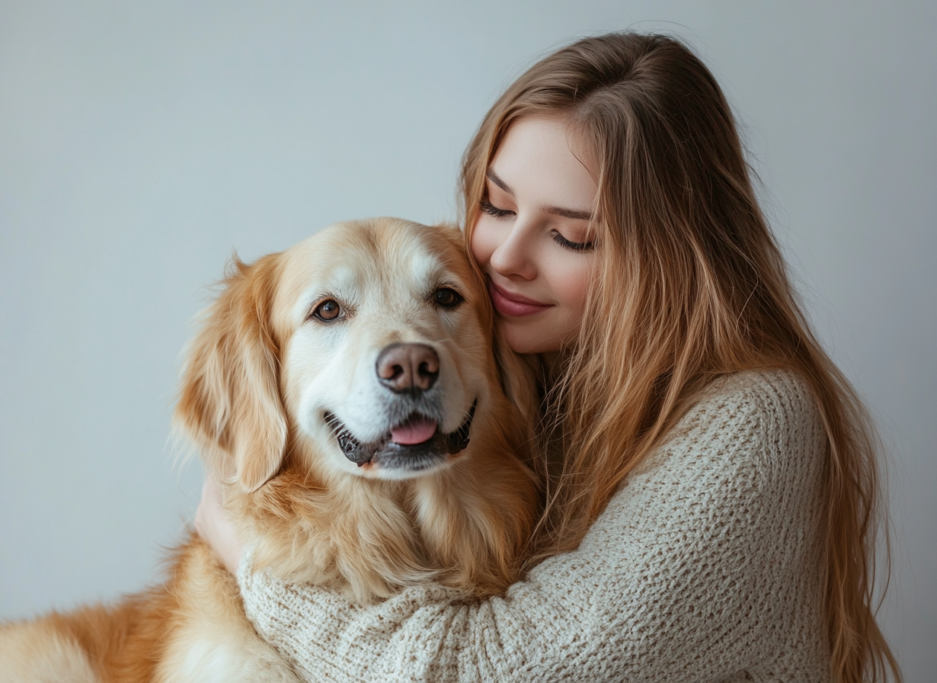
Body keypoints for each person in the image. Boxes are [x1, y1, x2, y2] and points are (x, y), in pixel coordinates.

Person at [195, 33, 899, 682]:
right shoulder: (525, 374)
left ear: (670, 261)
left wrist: (252, 564)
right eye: (497, 207)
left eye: (569, 236)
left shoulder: (754, 424)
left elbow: (501, 670)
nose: (502, 258)